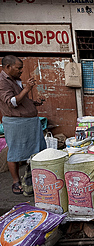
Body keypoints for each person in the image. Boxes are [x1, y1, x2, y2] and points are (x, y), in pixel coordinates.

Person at [0, 55, 46, 195]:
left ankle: (32, 177)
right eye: (18, 68)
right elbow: (12, 102)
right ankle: (15, 182)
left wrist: (33, 102)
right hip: (16, 123)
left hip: (29, 122)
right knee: (15, 153)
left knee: (36, 150)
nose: (21, 71)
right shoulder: (2, 82)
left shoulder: (15, 80)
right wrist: (27, 88)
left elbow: (21, 100)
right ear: (8, 67)